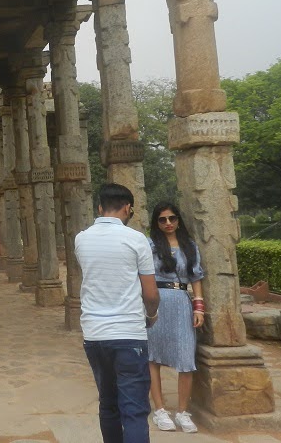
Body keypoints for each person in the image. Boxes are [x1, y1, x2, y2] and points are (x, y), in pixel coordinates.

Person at [75, 183, 160, 443]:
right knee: (134, 409)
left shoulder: (82, 238)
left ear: (100, 207)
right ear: (128, 208)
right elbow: (151, 294)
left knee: (108, 403)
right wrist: (152, 315)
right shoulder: (136, 240)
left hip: (95, 334)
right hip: (129, 333)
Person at [146, 202, 205, 434]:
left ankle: (182, 411)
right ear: (156, 222)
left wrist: (198, 307)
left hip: (182, 302)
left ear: (179, 220)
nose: (168, 223)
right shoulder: (150, 245)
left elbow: (196, 277)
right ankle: (160, 410)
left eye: (172, 218)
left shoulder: (189, 246)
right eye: (162, 219)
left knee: (186, 357)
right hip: (156, 301)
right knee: (153, 357)